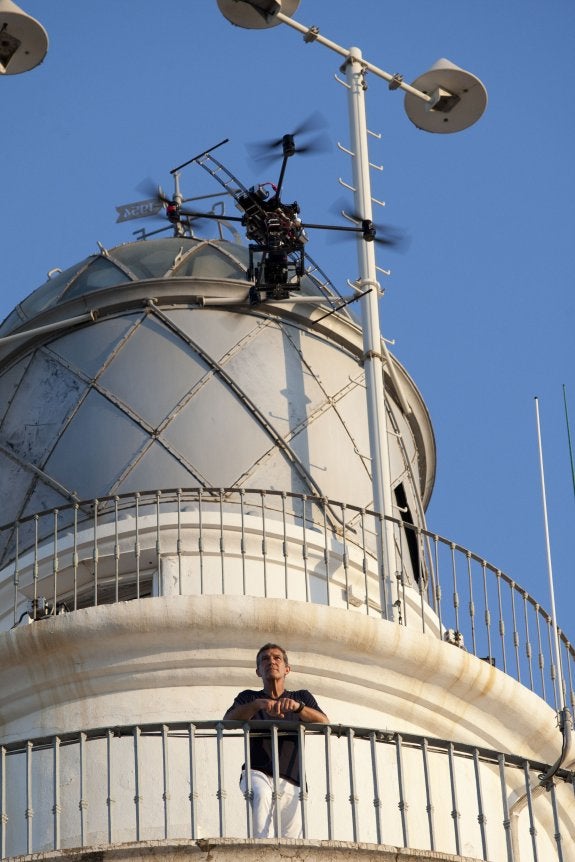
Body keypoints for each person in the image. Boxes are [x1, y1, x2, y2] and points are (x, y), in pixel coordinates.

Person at [224, 642, 329, 838]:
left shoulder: (301, 696)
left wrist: (298, 708)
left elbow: (324, 722)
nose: (271, 661)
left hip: (292, 776)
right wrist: (257, 705)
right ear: (258, 671)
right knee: (262, 795)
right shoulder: (249, 697)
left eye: (277, 658)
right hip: (257, 771)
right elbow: (228, 721)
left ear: (287, 669)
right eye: (265, 659)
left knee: (292, 842)